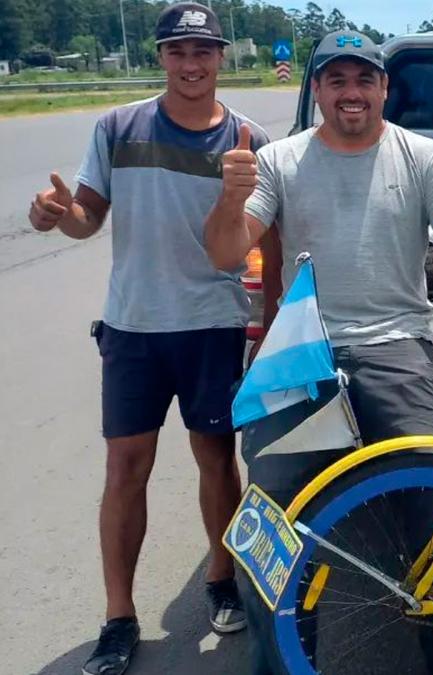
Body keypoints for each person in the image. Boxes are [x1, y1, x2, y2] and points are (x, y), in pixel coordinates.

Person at [203, 30, 433, 674]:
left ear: (384, 88)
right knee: (273, 520)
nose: (352, 93)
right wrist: (230, 199)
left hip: (397, 344)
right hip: (303, 352)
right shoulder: (280, 160)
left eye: (364, 79)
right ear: (317, 89)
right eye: (337, 80)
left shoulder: (422, 155)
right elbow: (226, 253)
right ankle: (286, 661)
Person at [26, 3, 269, 674]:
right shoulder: (117, 126)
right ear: (161, 56)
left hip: (214, 324)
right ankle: (118, 616)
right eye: (177, 51)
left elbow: (265, 241)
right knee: (124, 468)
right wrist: (54, 216)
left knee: (217, 461)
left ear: (221, 56)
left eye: (203, 51)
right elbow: (85, 217)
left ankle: (221, 578)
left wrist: (272, 318)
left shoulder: (250, 139)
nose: (191, 64)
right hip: (133, 326)